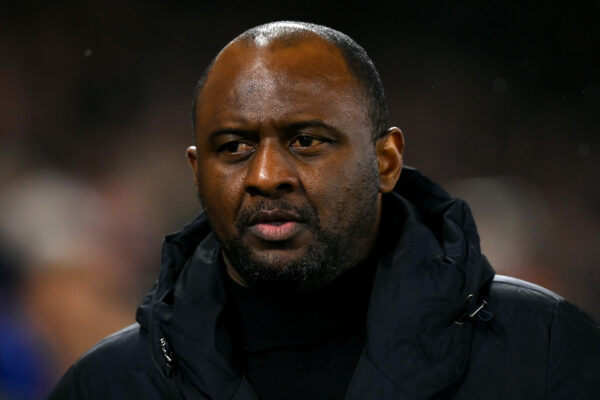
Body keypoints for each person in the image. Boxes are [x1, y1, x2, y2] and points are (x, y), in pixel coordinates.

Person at [49, 21, 599, 399]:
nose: (266, 176)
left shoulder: (543, 350)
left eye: (307, 140)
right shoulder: (109, 383)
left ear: (385, 161)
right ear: (197, 172)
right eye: (234, 147)